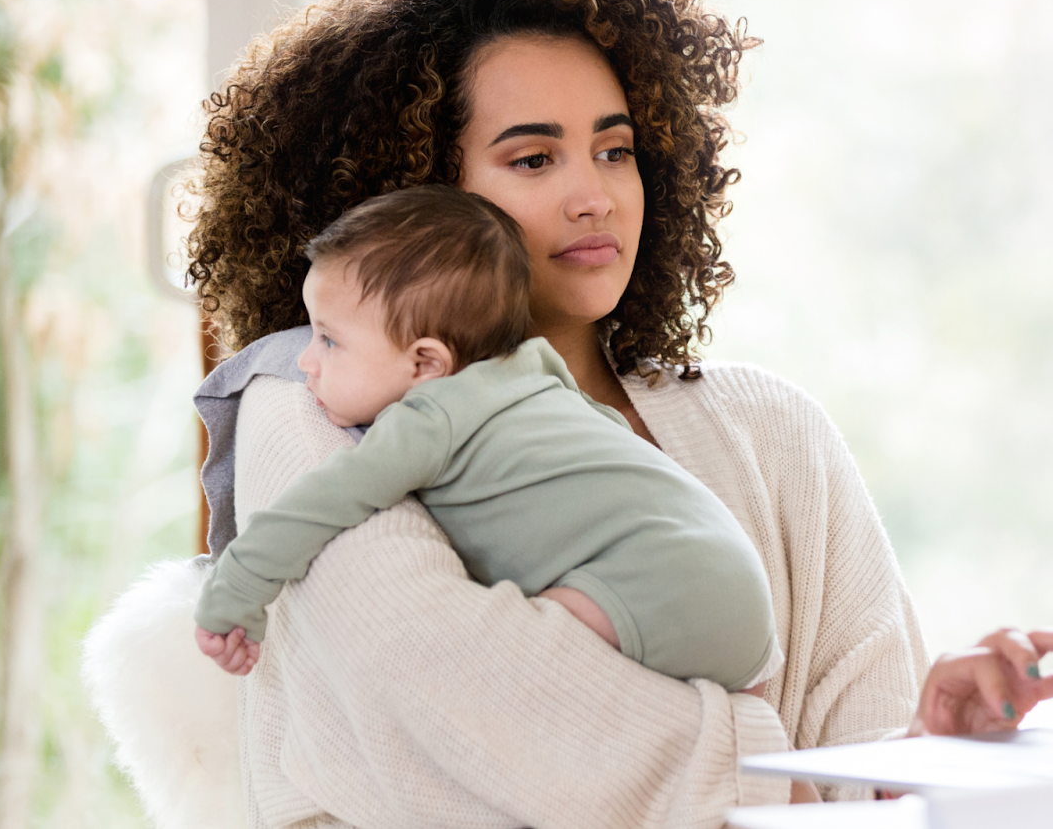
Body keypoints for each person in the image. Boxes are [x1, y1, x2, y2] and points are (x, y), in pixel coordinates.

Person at [169, 0, 1053, 824]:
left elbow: (853, 788)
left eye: (616, 148)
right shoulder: (314, 402)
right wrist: (778, 777)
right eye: (534, 157)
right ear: (417, 193)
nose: (597, 193)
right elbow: (478, 699)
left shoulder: (775, 429)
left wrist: (927, 752)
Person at [193, 184, 780, 696]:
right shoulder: (542, 375)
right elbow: (617, 439)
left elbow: (314, 507)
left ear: (426, 363)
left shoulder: (428, 419)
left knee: (508, 669)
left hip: (648, 588)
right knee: (758, 766)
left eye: (328, 340)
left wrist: (234, 593)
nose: (305, 360)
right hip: (739, 590)